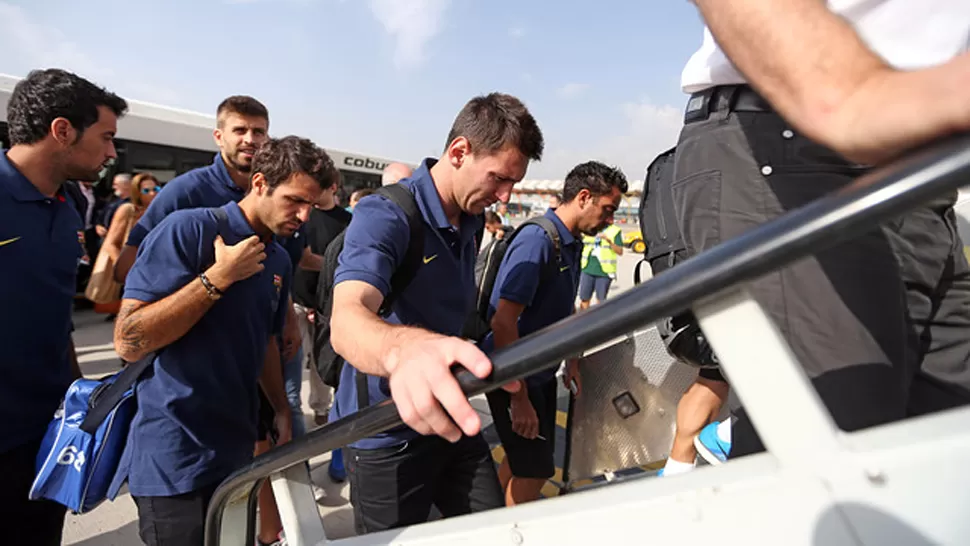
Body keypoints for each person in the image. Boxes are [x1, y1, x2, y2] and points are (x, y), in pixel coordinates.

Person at [677, 0, 970, 458]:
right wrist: (843, 93)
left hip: (926, 167)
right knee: (840, 454)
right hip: (794, 132)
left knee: (940, 453)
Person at [329, 92, 544, 533]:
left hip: (449, 412)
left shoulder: (471, 217)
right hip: (386, 432)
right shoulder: (386, 214)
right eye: (499, 179)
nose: (504, 197)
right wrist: (402, 350)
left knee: (494, 533)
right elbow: (347, 317)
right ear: (459, 152)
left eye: (513, 185)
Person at [110, 136, 333, 546]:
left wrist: (281, 408)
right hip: (175, 457)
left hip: (236, 452)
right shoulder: (191, 229)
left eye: (311, 206)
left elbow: (263, 337)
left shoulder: (278, 257)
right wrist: (217, 278)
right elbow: (127, 340)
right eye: (295, 201)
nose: (303, 216)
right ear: (261, 183)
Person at [0, 68, 127, 546]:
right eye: (106, 137)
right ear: (62, 131)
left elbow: (56, 317)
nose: (112, 153)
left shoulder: (68, 205)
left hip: (46, 439)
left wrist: (79, 400)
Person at [483, 161, 627, 506]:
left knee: (526, 462)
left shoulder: (571, 242)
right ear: (583, 197)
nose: (610, 220)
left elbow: (564, 312)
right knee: (535, 470)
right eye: (607, 210)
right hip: (515, 376)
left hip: (540, 373)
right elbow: (503, 323)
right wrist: (518, 397)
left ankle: (486, 513)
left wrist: (572, 359)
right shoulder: (538, 240)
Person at [577, 220, 623, 309]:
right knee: (584, 299)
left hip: (604, 272)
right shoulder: (589, 228)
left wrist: (609, 241)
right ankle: (584, 321)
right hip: (587, 269)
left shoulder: (615, 231)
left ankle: (598, 321)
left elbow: (620, 251)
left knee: (601, 302)